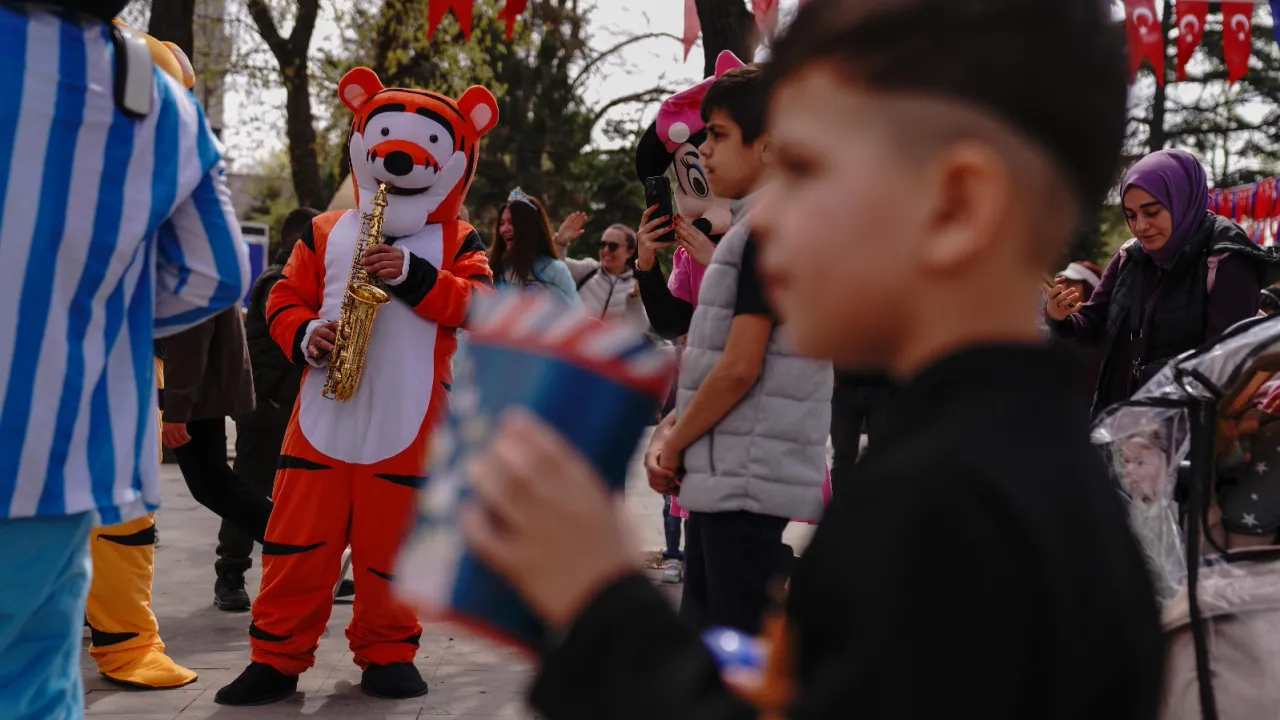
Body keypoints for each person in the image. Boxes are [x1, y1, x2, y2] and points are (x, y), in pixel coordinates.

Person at [456, 1, 1165, 718]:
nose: (772, 218)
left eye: (803, 171)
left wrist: (597, 603)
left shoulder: (951, 520)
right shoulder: (1001, 473)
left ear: (957, 206)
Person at [215, 68, 496, 706]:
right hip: (323, 414)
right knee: (295, 542)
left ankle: (388, 653)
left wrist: (417, 276)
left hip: (410, 421)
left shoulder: (458, 239)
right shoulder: (324, 230)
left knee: (394, 546)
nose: (399, 157)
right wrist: (304, 332)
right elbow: (282, 297)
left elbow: (481, 306)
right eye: (386, 137)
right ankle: (275, 657)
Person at [0, 2, 248, 716]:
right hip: (64, 450)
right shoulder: (150, 93)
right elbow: (216, 272)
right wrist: (89, 320)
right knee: (33, 678)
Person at [646, 63, 832, 637]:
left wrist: (673, 443)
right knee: (711, 641)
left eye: (719, 134)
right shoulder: (760, 231)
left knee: (733, 643)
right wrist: (672, 431)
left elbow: (739, 367)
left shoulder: (769, 234)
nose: (702, 150)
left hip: (744, 482)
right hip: (729, 476)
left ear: (769, 146)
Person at [1048, 148, 1276, 416]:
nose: (1141, 226)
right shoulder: (1130, 256)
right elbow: (1092, 326)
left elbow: (1226, 363)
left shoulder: (1226, 258)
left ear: (1181, 201)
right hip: (1120, 420)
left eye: (1152, 212)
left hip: (1189, 427)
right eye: (1131, 215)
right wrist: (1060, 316)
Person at [215, 207, 321, 612]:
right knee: (248, 489)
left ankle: (305, 571)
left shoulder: (296, 279)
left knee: (296, 495)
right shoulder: (277, 282)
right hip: (266, 407)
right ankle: (230, 573)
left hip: (286, 405)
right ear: (298, 242)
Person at [490, 188, 580, 306]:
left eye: (511, 223)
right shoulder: (493, 269)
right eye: (502, 223)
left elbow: (575, 313)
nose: (504, 229)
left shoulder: (554, 270)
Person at [561, 224, 650, 330]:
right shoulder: (588, 269)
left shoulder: (636, 287)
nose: (606, 250)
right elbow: (554, 267)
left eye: (613, 246)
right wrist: (560, 243)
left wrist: (634, 300)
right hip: (574, 338)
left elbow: (639, 328)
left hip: (610, 341)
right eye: (602, 245)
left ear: (630, 251)